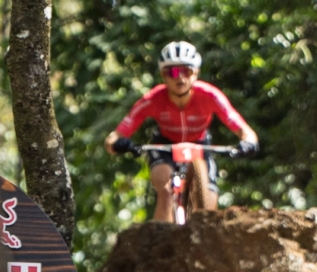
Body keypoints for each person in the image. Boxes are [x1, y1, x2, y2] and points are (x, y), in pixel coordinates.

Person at [104, 40, 260, 221]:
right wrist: (119, 143)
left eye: (187, 71)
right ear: (163, 75)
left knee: (209, 204)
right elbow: (113, 137)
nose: (180, 77)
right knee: (165, 191)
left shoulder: (210, 96)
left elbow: (245, 131)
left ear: (196, 73)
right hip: (165, 146)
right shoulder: (152, 99)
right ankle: (161, 238)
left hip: (200, 145)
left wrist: (248, 143)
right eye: (173, 71)